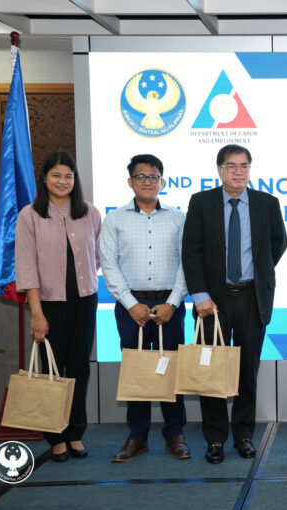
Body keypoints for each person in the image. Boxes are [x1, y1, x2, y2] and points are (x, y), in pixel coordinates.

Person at [182, 144, 287, 464]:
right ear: (219, 170)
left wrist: (259, 273)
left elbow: (278, 243)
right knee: (211, 370)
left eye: (244, 166)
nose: (238, 171)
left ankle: (243, 435)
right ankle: (215, 438)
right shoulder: (201, 202)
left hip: (252, 298)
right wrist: (200, 295)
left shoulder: (267, 203)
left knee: (246, 371)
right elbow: (191, 251)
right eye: (231, 166)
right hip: (211, 302)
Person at [100, 154, 190, 462]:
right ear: (130, 182)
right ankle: (137, 437)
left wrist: (172, 303)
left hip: (169, 307)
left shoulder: (178, 218)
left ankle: (175, 434)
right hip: (131, 308)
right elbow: (109, 265)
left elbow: (187, 263)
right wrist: (131, 303)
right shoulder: (115, 219)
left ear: (162, 182)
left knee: (171, 371)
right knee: (136, 372)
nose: (147, 181)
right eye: (141, 176)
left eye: (153, 176)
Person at [15, 151, 101, 462]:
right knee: (51, 371)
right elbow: (26, 268)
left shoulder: (90, 213)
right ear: (44, 179)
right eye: (56, 175)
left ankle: (75, 433)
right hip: (49, 305)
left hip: (84, 303)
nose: (62, 181)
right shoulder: (29, 215)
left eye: (68, 176)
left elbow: (96, 256)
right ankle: (55, 437)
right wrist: (36, 314)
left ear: (75, 180)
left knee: (79, 369)